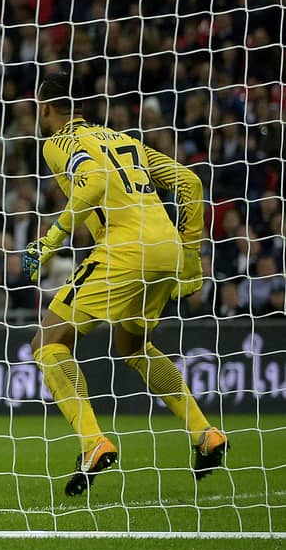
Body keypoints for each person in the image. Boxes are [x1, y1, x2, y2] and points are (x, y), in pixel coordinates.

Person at [23, 72, 226, 496]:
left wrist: (49, 240)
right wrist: (190, 257)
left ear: (45, 109)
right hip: (166, 245)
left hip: (124, 249)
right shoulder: (124, 140)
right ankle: (204, 433)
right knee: (133, 347)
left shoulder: (57, 142)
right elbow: (190, 182)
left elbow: (92, 182)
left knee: (48, 341)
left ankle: (93, 442)